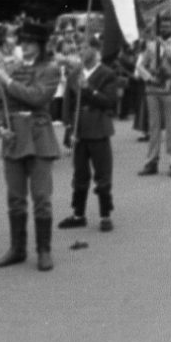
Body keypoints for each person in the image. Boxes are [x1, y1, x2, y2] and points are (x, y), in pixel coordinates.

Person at [0, 21, 63, 271]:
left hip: (40, 136)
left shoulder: (51, 70)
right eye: (24, 43)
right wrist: (0, 127)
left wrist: (8, 82)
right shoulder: (11, 68)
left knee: (42, 197)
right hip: (14, 137)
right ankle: (17, 248)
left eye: (32, 43)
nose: (27, 48)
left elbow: (37, 97)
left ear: (42, 46)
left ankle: (44, 250)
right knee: (15, 198)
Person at [59, 35, 122, 234]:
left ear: (95, 50)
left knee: (102, 174)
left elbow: (109, 101)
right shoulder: (74, 73)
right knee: (79, 174)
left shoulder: (107, 73)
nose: (81, 51)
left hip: (98, 127)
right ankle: (78, 214)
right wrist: (69, 128)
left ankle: (105, 215)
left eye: (85, 47)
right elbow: (68, 103)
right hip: (80, 129)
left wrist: (89, 89)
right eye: (79, 48)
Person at [135, 13, 171, 178]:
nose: (164, 28)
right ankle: (151, 162)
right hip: (152, 89)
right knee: (153, 128)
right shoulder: (150, 45)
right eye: (162, 26)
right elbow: (140, 66)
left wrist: (164, 44)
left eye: (167, 26)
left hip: (169, 87)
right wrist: (149, 77)